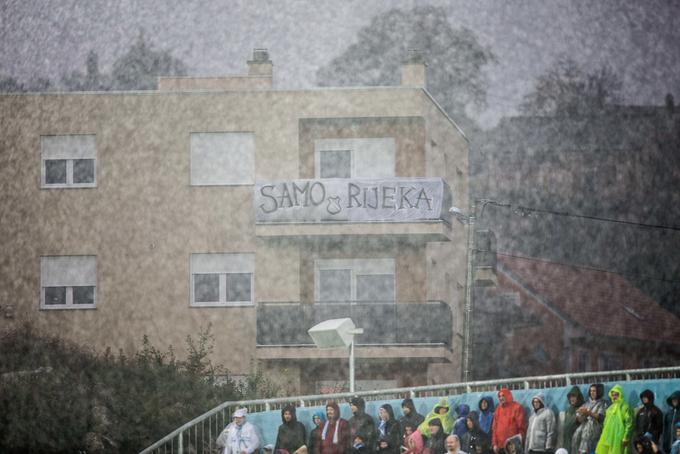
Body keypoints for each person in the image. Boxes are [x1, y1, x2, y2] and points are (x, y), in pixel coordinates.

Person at [595, 384, 633, 454]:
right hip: (608, 437)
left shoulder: (625, 407)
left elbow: (629, 423)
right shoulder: (610, 409)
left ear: (620, 394)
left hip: (619, 437)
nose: (614, 397)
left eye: (616, 394)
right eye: (613, 395)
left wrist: (626, 436)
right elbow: (605, 423)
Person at [572, 383, 608, 454]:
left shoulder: (603, 403)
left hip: (595, 432)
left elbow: (601, 418)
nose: (592, 393)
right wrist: (580, 416)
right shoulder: (586, 404)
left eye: (594, 391)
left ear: (599, 392)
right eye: (591, 391)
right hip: (583, 432)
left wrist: (589, 413)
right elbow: (579, 420)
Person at [492, 388, 526, 454]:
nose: (501, 398)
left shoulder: (517, 407)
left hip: (512, 447)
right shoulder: (498, 410)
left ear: (508, 395)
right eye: (499, 396)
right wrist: (494, 444)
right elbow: (494, 429)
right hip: (500, 447)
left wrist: (516, 443)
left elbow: (522, 428)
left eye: (503, 395)